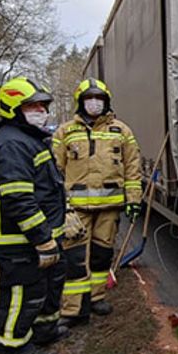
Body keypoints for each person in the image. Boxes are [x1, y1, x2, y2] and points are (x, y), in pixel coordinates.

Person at [0, 77, 69, 354]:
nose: (40, 110)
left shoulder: (26, 138)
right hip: (19, 240)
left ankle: (43, 332)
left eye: (42, 105)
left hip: (37, 236)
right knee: (22, 293)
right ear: (13, 108)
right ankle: (13, 352)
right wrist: (42, 238)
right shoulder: (11, 145)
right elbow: (19, 200)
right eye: (32, 105)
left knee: (45, 287)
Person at [52, 78, 142, 325]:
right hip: (75, 210)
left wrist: (134, 200)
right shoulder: (65, 132)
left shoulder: (121, 131)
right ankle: (72, 310)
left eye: (99, 99)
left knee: (102, 256)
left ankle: (97, 297)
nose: (94, 104)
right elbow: (53, 171)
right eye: (90, 99)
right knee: (75, 259)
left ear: (107, 102)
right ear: (80, 102)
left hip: (109, 209)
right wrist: (59, 206)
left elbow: (132, 168)